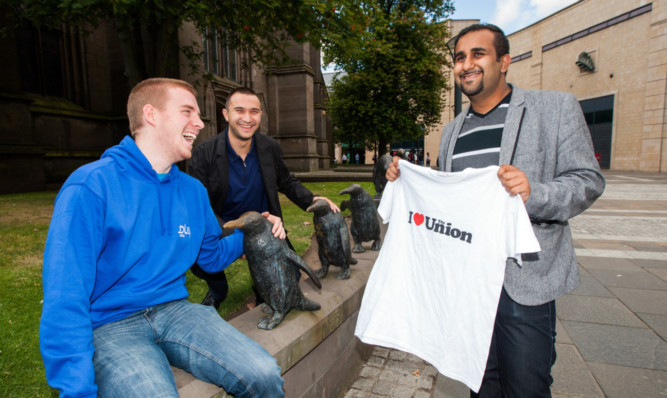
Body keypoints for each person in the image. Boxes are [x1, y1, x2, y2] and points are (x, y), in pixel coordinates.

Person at [387, 23, 604, 397]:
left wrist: (534, 192)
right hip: (470, 285)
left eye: (477, 54)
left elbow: (588, 180)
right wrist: (403, 180)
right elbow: (449, 203)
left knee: (525, 388)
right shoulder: (452, 131)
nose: (466, 64)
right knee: (480, 384)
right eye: (459, 57)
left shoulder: (553, 108)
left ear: (504, 61)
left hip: (524, 283)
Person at [39, 78, 285, 398]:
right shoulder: (91, 186)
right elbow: (65, 294)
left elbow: (209, 256)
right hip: (109, 324)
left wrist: (254, 231)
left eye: (198, 114)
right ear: (151, 115)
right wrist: (76, 389)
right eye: (187, 111)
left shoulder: (192, 191)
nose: (199, 122)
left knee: (264, 375)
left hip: (176, 310)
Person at [188, 87, 339, 309]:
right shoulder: (203, 154)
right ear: (226, 114)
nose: (247, 118)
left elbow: (286, 181)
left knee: (290, 280)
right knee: (199, 260)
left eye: (254, 111)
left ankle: (262, 293)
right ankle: (218, 290)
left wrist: (312, 199)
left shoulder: (270, 148)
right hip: (225, 225)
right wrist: (238, 237)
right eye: (239, 110)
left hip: (267, 225)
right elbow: (202, 208)